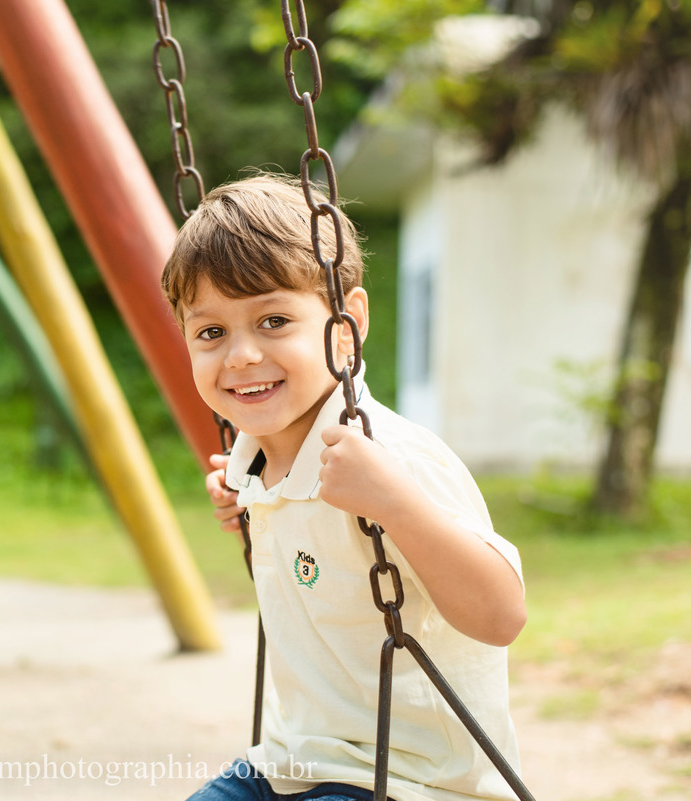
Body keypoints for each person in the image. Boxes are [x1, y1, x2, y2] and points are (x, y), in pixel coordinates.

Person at [161, 173, 526, 801]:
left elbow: (500, 615)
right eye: (211, 332)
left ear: (347, 322)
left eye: (273, 320)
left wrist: (398, 504)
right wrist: (241, 501)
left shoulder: (394, 459)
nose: (241, 355)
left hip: (409, 779)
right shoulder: (256, 459)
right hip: (289, 762)